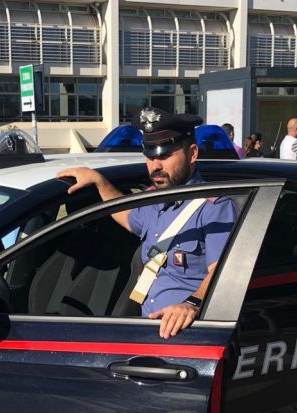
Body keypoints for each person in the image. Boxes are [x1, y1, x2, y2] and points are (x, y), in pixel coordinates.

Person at [57, 108, 237, 339]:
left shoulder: (213, 207)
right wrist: (99, 182)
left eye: (165, 155)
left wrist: (191, 304)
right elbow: (126, 215)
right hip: (147, 328)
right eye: (151, 157)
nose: (155, 166)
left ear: (192, 154)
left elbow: (223, 273)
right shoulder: (154, 201)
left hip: (184, 332)